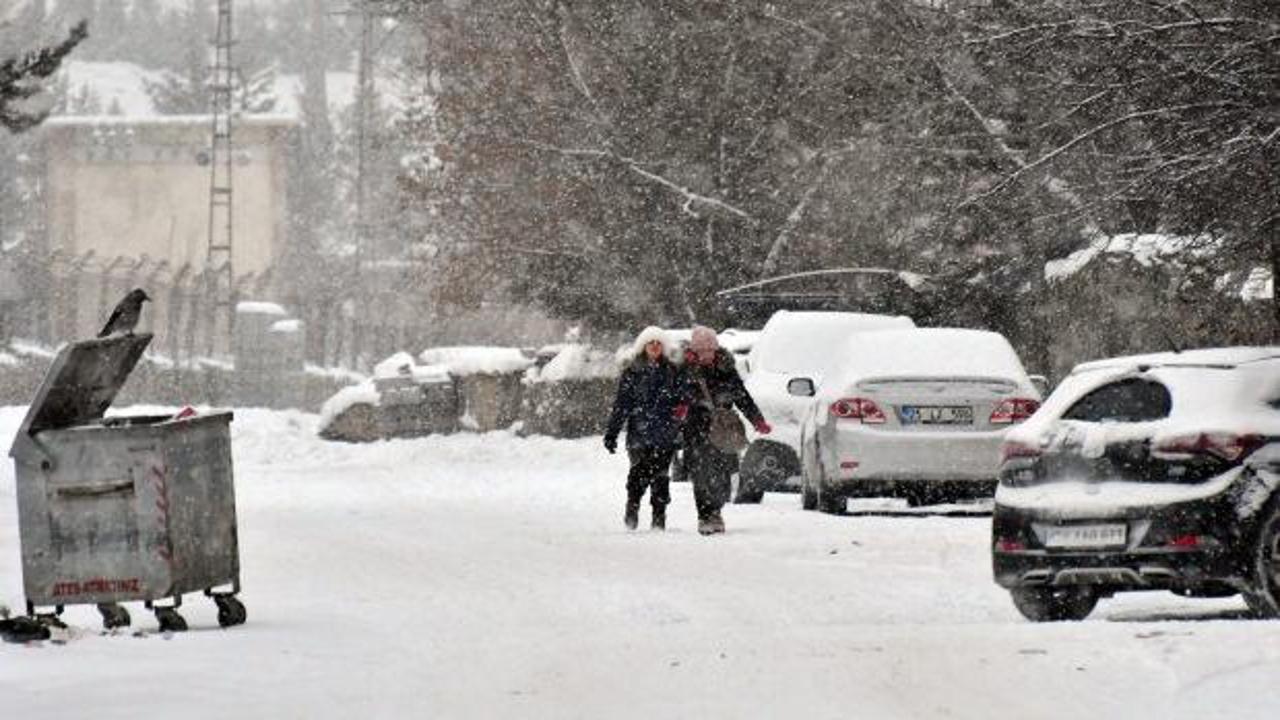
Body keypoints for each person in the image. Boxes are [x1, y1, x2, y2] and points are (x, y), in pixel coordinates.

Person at [682, 325, 770, 535]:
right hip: (696, 429)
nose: (706, 355)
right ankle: (705, 516)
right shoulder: (685, 369)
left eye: (709, 350)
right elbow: (672, 395)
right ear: (694, 351)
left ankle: (716, 511)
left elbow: (741, 396)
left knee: (723, 475)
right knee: (702, 475)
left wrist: (757, 420)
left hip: (723, 430)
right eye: (701, 351)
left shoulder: (725, 367)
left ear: (716, 349)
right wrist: (682, 407)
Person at [603, 326, 691, 531]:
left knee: (661, 476)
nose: (654, 346)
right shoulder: (632, 372)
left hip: (665, 432)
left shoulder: (673, 371)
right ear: (643, 346)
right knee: (637, 474)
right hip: (639, 434)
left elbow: (683, 398)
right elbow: (622, 404)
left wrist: (680, 413)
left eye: (658, 343)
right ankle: (632, 511)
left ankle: (659, 517)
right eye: (651, 343)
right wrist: (612, 433)